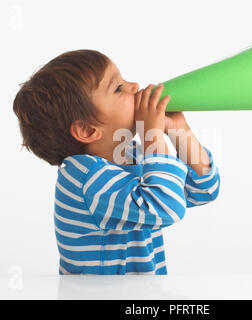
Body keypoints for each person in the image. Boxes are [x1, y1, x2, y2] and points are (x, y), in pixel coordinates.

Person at [13, 49, 221, 275]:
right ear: (87, 130)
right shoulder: (86, 179)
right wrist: (151, 133)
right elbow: (166, 208)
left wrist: (180, 131)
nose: (134, 86)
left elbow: (203, 190)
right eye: (118, 88)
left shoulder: (130, 155)